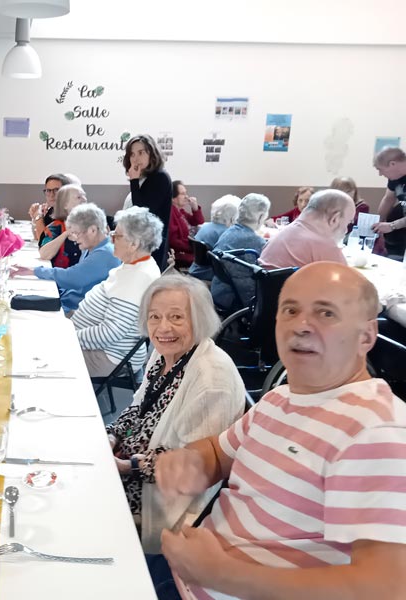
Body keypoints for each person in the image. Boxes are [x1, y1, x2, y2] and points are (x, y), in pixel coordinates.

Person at [150, 262, 406, 600]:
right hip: (187, 569)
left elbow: (385, 588)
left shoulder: (375, 430)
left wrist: (224, 574)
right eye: (290, 309)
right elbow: (218, 452)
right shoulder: (281, 398)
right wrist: (192, 462)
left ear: (367, 336)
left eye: (325, 313)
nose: (301, 325)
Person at [106, 274, 244, 552]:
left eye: (177, 317)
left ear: (200, 319)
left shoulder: (211, 379)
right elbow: (137, 407)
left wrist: (126, 466)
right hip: (130, 468)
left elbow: (194, 466)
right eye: (154, 317)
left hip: (160, 501)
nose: (163, 327)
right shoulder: (163, 353)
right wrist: (111, 436)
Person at [72, 207, 163, 377]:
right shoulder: (135, 265)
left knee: (41, 354)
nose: (111, 239)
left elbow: (110, 332)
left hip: (108, 356)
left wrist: (68, 335)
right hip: (102, 348)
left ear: (134, 244)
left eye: (117, 236)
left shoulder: (138, 277)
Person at [13, 204, 120, 313]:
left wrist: (34, 271)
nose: (75, 239)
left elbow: (72, 278)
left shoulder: (105, 254)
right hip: (68, 301)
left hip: (75, 311)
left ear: (92, 230)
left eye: (77, 233)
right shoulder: (93, 248)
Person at [260, 189, 354, 269]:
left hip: (268, 289)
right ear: (335, 219)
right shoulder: (325, 248)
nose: (346, 230)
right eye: (348, 222)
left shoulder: (281, 234)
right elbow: (350, 287)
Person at [210, 194, 270, 311]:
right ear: (260, 217)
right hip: (238, 298)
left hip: (220, 291)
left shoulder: (229, 232)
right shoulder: (255, 241)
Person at [122, 135, 173, 270]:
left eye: (141, 152)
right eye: (132, 154)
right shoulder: (145, 178)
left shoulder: (160, 177)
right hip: (140, 241)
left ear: (152, 154)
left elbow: (141, 210)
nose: (136, 158)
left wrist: (133, 181)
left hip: (151, 245)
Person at [188, 195, 240, 281]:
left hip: (196, 269)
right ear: (233, 217)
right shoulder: (226, 233)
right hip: (209, 273)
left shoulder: (205, 227)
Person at [37, 183, 86, 267]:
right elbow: (44, 255)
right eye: (79, 197)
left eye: (84, 196)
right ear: (65, 204)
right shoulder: (55, 227)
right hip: (63, 277)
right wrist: (65, 234)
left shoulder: (92, 226)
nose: (84, 200)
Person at [371, 146, 406, 259]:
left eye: (380, 169)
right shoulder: (395, 178)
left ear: (392, 164)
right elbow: (388, 199)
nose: (380, 174)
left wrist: (392, 226)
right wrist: (379, 223)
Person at [168, 181, 205, 269]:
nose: (187, 197)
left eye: (186, 193)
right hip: (181, 254)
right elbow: (174, 241)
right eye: (183, 194)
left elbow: (198, 221)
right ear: (173, 198)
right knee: (206, 259)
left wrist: (195, 208)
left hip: (189, 249)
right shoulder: (171, 213)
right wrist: (194, 248)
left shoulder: (180, 211)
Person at [28, 173, 73, 242]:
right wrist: (35, 218)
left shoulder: (68, 213)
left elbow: (44, 242)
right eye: (48, 190)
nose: (52, 195)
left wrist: (38, 217)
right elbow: (37, 237)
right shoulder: (52, 210)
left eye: (56, 190)